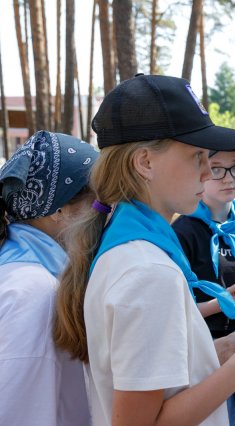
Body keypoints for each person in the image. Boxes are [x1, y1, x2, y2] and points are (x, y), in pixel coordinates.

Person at [53, 74, 235, 426]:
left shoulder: (130, 247)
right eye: (197, 156)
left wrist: (226, 349)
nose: (206, 172)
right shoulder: (148, 272)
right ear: (145, 163)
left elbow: (156, 380)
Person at [0, 131, 95, 425]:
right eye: (98, 202)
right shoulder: (35, 291)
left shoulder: (19, 265)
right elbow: (18, 411)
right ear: (60, 210)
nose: (104, 214)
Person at [172, 147, 235, 425]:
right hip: (203, 353)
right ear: (201, 172)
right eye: (217, 169)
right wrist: (224, 302)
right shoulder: (182, 232)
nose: (228, 177)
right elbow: (177, 312)